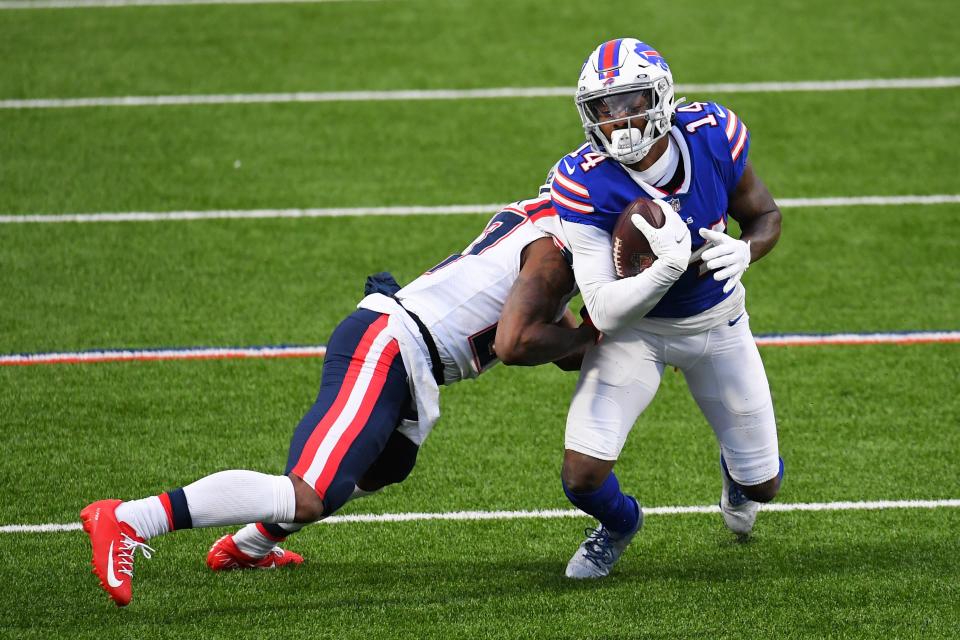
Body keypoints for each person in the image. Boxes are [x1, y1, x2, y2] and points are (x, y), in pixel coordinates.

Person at [81, 193, 597, 606]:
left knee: (384, 467)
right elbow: (517, 342)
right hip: (389, 344)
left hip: (412, 361)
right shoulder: (555, 250)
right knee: (311, 492)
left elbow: (557, 333)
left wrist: (602, 324)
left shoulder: (548, 223)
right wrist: (601, 325)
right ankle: (129, 519)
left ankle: (249, 546)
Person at [546, 38, 785, 579]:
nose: (618, 120)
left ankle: (738, 473)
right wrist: (665, 269)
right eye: (604, 109)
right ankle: (619, 524)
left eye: (631, 102)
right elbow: (603, 311)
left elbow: (766, 214)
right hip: (635, 333)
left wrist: (748, 249)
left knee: (762, 486)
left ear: (661, 96)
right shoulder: (582, 178)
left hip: (718, 320)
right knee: (581, 475)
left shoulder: (711, 135)